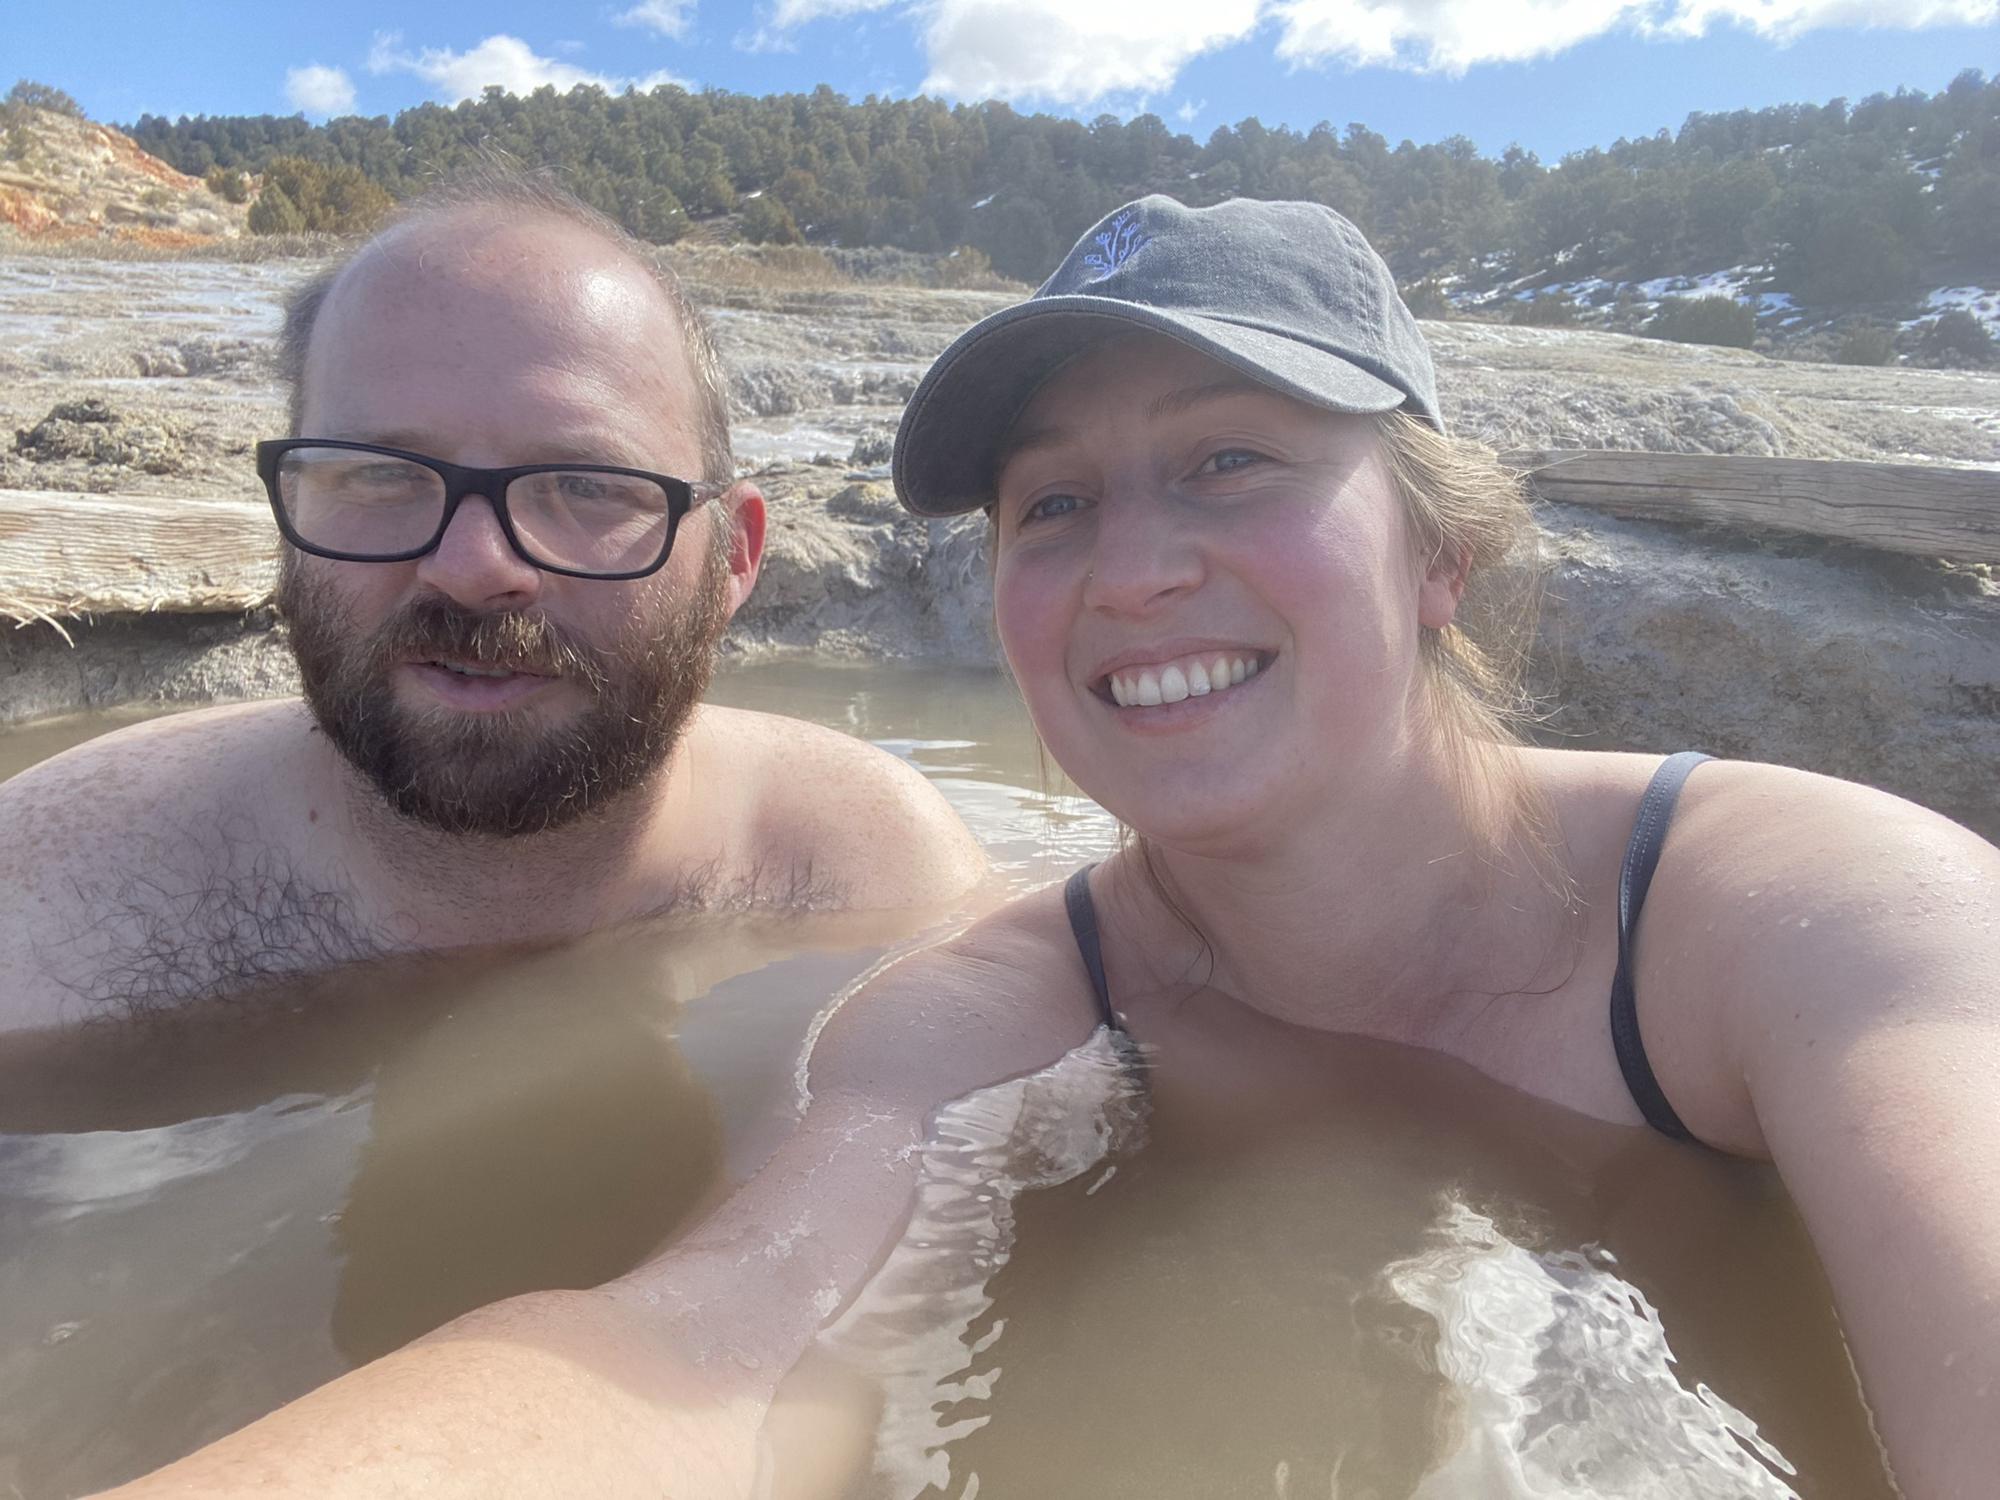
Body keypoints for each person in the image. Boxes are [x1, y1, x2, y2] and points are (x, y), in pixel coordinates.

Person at [94, 197, 1999, 1499]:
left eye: (1232, 461)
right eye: (1055, 503)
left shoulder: (1801, 915)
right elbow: (707, 1352)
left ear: (1439, 553)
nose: (1135, 566)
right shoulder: (980, 1007)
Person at [0, 173, 986, 1034]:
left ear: (734, 556)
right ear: (288, 501)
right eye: (379, 474)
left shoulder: (874, 873)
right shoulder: (45, 899)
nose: (469, 568)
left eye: (588, 485)